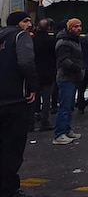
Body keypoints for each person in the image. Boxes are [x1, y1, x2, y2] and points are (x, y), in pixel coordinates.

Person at [0, 11, 38, 197]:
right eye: (26, 21)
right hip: (15, 100)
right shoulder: (20, 36)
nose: (29, 24)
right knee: (13, 147)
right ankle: (8, 188)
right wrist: (32, 86)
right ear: (17, 24)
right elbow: (26, 61)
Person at [54, 18, 84, 145]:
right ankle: (59, 134)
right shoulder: (64, 43)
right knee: (65, 106)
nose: (79, 29)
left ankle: (66, 130)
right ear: (69, 28)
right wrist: (76, 69)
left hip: (73, 78)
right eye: (75, 26)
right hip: (66, 78)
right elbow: (64, 60)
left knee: (70, 105)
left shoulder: (74, 41)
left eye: (80, 26)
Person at [32, 18, 56, 132]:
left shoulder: (32, 39)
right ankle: (44, 121)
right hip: (48, 73)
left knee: (33, 98)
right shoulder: (51, 40)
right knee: (46, 99)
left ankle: (31, 122)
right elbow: (54, 56)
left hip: (34, 72)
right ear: (49, 28)